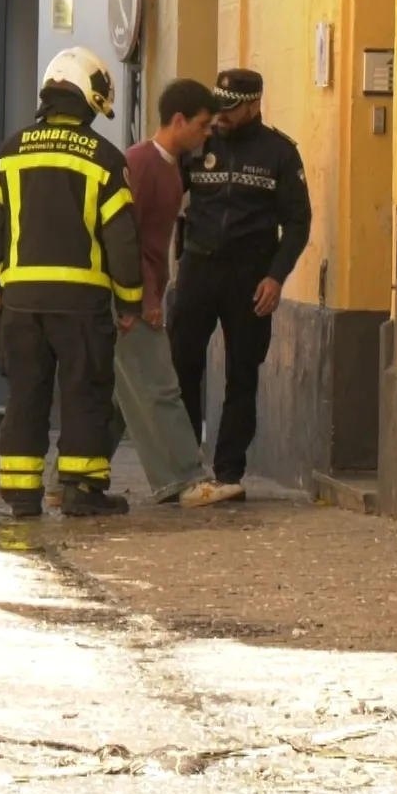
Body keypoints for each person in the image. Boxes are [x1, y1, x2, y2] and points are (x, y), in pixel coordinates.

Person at [0, 47, 145, 519]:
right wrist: (130, 302)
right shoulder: (105, 160)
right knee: (84, 392)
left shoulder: (10, 152)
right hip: (81, 305)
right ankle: (80, 489)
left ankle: (21, 492)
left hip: (21, 304)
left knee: (25, 394)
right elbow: (123, 241)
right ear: (87, 99)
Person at [168, 68, 312, 491]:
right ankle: (182, 465)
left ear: (254, 104)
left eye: (231, 109)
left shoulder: (279, 153)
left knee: (242, 371)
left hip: (250, 274)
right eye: (219, 107)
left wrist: (276, 276)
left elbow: (298, 223)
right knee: (183, 364)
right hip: (198, 266)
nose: (222, 116)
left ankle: (228, 470)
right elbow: (166, 195)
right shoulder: (200, 143)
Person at [112, 80, 245, 507]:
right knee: (161, 388)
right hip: (131, 300)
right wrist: (143, 298)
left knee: (122, 398)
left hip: (136, 296)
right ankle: (186, 479)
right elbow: (126, 238)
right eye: (203, 125)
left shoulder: (168, 166)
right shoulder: (142, 164)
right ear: (179, 121)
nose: (209, 134)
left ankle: (70, 479)